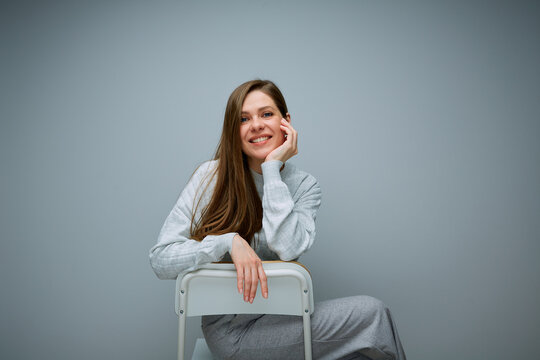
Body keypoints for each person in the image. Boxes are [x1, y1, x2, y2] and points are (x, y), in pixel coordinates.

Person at [149, 80, 407, 359]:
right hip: (234, 336)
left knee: (358, 352)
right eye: (244, 119)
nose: (256, 125)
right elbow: (161, 259)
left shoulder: (305, 186)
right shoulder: (210, 177)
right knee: (373, 315)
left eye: (267, 114)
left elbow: (288, 247)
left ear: (287, 122)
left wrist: (271, 169)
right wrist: (227, 242)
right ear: (233, 131)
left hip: (284, 318)